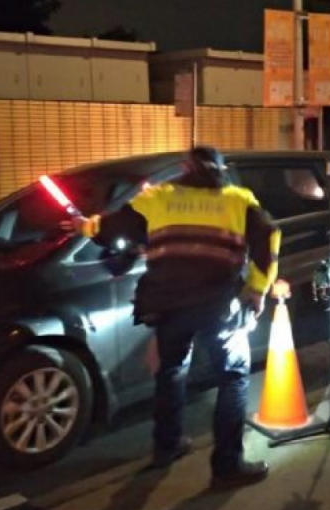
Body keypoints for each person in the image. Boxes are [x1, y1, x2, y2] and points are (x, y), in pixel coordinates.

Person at [67, 147, 281, 488]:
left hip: (169, 304)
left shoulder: (159, 198)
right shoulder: (239, 200)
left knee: (171, 372)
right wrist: (256, 291)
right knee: (233, 378)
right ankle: (226, 467)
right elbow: (268, 238)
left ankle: (166, 447)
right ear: (221, 170)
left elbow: (112, 226)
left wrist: (85, 226)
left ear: (184, 169)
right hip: (219, 304)